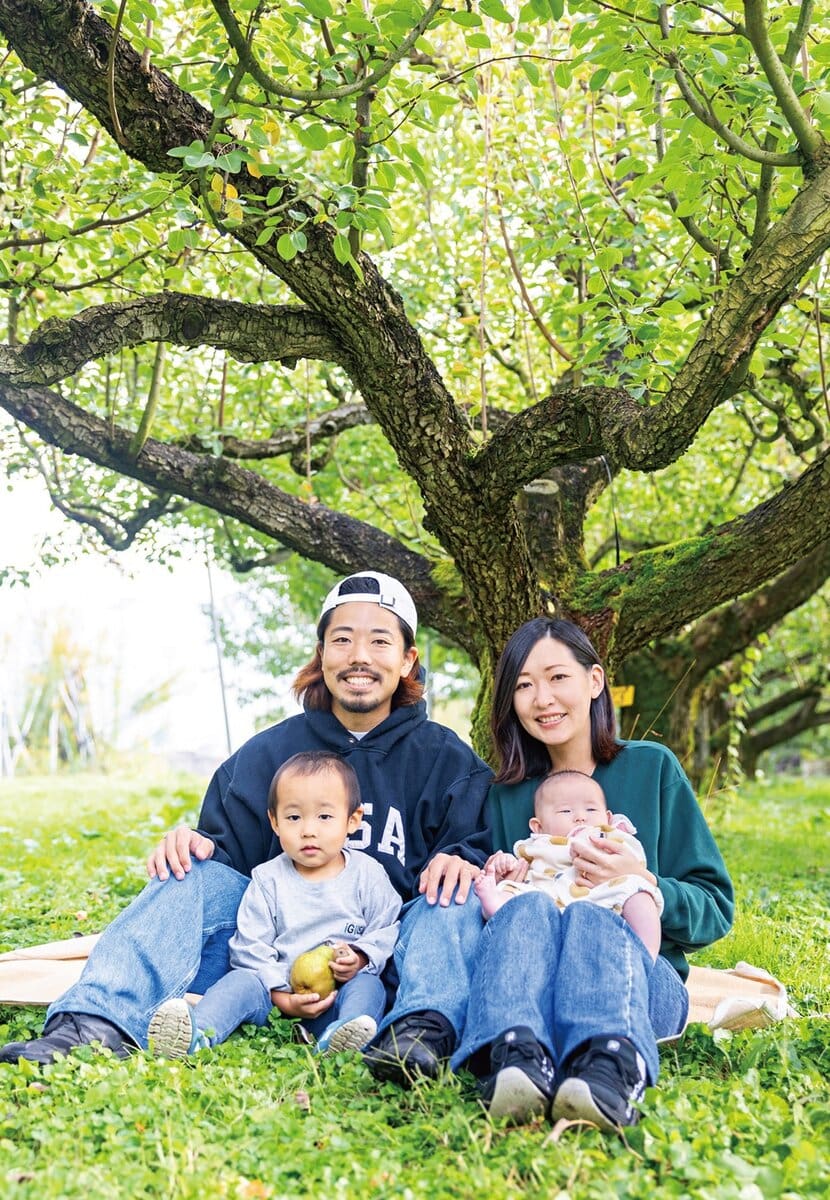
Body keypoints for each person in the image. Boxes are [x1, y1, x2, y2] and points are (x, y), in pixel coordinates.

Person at [0, 572, 492, 1065]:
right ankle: (93, 1023)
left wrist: (460, 858)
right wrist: (195, 847)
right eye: (342, 639)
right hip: (262, 960)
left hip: (383, 960)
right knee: (186, 874)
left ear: (407, 659)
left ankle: (420, 1034)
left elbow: (475, 848)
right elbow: (226, 861)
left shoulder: (447, 762)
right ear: (322, 655)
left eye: (379, 641)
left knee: (454, 893)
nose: (359, 656)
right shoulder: (266, 755)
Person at [365, 617, 734, 1132]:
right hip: (527, 986)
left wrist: (643, 880)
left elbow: (714, 906)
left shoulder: (651, 769)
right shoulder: (505, 795)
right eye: (523, 685)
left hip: (634, 982)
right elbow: (498, 908)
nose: (542, 698)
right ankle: (491, 1052)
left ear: (595, 681)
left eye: (558, 677)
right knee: (494, 904)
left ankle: (609, 1070)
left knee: (591, 920)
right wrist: (476, 869)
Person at [147, 751, 401, 1058]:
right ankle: (196, 1032)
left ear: (352, 821)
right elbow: (249, 946)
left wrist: (359, 957)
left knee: (368, 987)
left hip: (339, 993)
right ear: (275, 822)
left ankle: (344, 1035)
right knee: (240, 981)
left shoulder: (367, 874)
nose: (308, 830)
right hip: (276, 998)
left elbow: (386, 926)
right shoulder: (268, 879)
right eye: (294, 817)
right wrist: (281, 996)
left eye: (325, 817)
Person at [474, 769, 662, 960]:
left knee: (640, 893)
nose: (580, 817)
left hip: (600, 899)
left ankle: (645, 952)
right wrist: (504, 864)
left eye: (591, 810)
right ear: (538, 827)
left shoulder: (610, 835)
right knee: (515, 891)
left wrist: (632, 871)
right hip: (547, 901)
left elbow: (634, 860)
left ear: (607, 817)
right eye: (566, 811)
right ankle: (493, 905)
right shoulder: (538, 844)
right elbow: (520, 866)